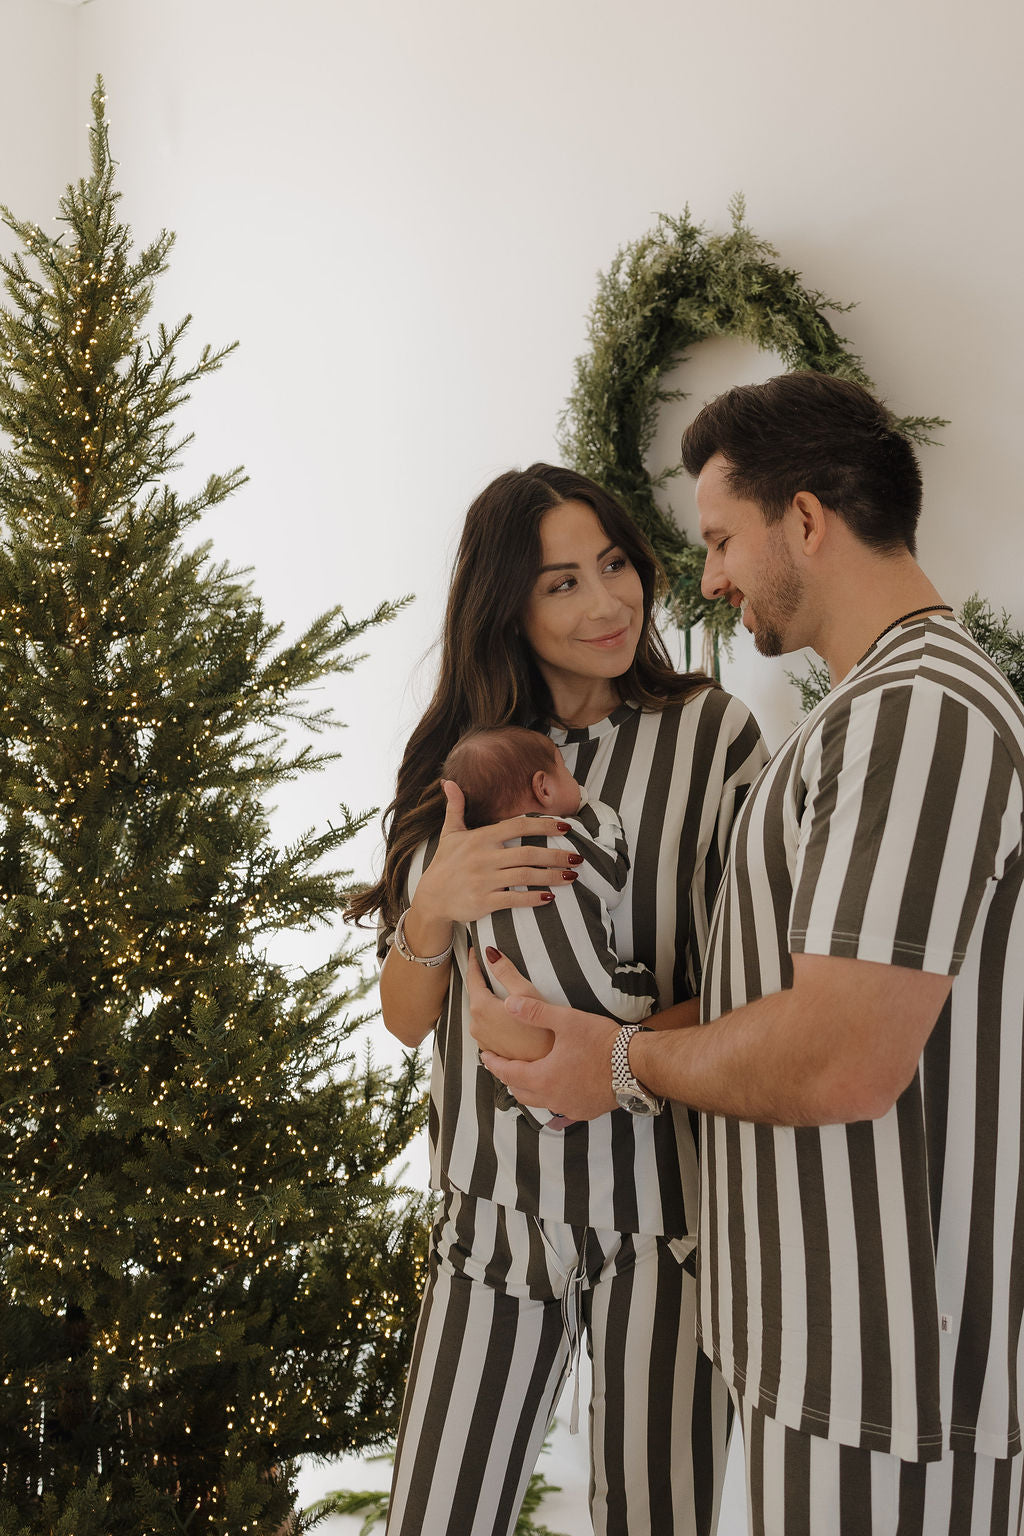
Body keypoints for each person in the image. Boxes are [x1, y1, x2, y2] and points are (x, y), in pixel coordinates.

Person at [474, 374, 1024, 1536]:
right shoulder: (863, 712)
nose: (709, 579)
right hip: (826, 1362)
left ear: (808, 522)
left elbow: (840, 1058)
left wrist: (615, 1065)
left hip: (889, 1382)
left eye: (721, 537)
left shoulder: (917, 714)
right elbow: (789, 1000)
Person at [346, 463, 768, 1536]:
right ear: (507, 609)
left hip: (664, 1222)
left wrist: (605, 1052)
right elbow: (405, 1019)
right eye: (561, 584)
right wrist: (430, 909)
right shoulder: (464, 766)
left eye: (615, 565)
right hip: (491, 1215)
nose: (606, 603)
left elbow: (745, 990)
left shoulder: (715, 740)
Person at [444, 724, 658, 1127]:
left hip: (515, 1031)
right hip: (603, 1005)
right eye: (567, 774)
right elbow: (612, 882)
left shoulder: (475, 870)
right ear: (543, 789)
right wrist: (599, 814)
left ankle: (528, 1100)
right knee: (643, 986)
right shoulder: (560, 838)